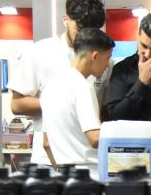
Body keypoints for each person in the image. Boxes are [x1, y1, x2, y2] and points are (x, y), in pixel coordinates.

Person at [9, 0, 106, 167]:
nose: (85, 38)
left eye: (91, 31)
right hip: (48, 159)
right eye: (80, 30)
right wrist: (62, 103)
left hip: (90, 158)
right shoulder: (40, 52)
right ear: (65, 19)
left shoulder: (104, 59)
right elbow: (17, 104)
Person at [39, 28, 114, 178]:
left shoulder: (50, 87)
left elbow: (46, 143)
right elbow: (95, 138)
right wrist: (131, 134)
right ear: (95, 56)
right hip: (90, 176)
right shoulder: (82, 87)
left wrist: (62, 172)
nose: (107, 65)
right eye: (108, 58)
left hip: (64, 176)